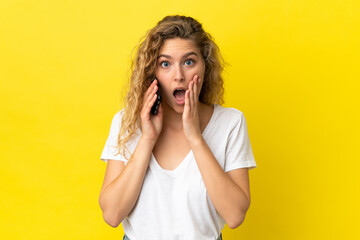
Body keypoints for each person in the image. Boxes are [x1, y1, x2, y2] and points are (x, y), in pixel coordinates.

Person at [99, 15, 257, 240]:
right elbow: (112, 215)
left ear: (205, 67)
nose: (179, 76)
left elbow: (235, 216)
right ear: (152, 72)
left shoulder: (231, 123)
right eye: (166, 64)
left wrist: (195, 138)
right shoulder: (126, 122)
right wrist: (147, 139)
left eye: (189, 61)